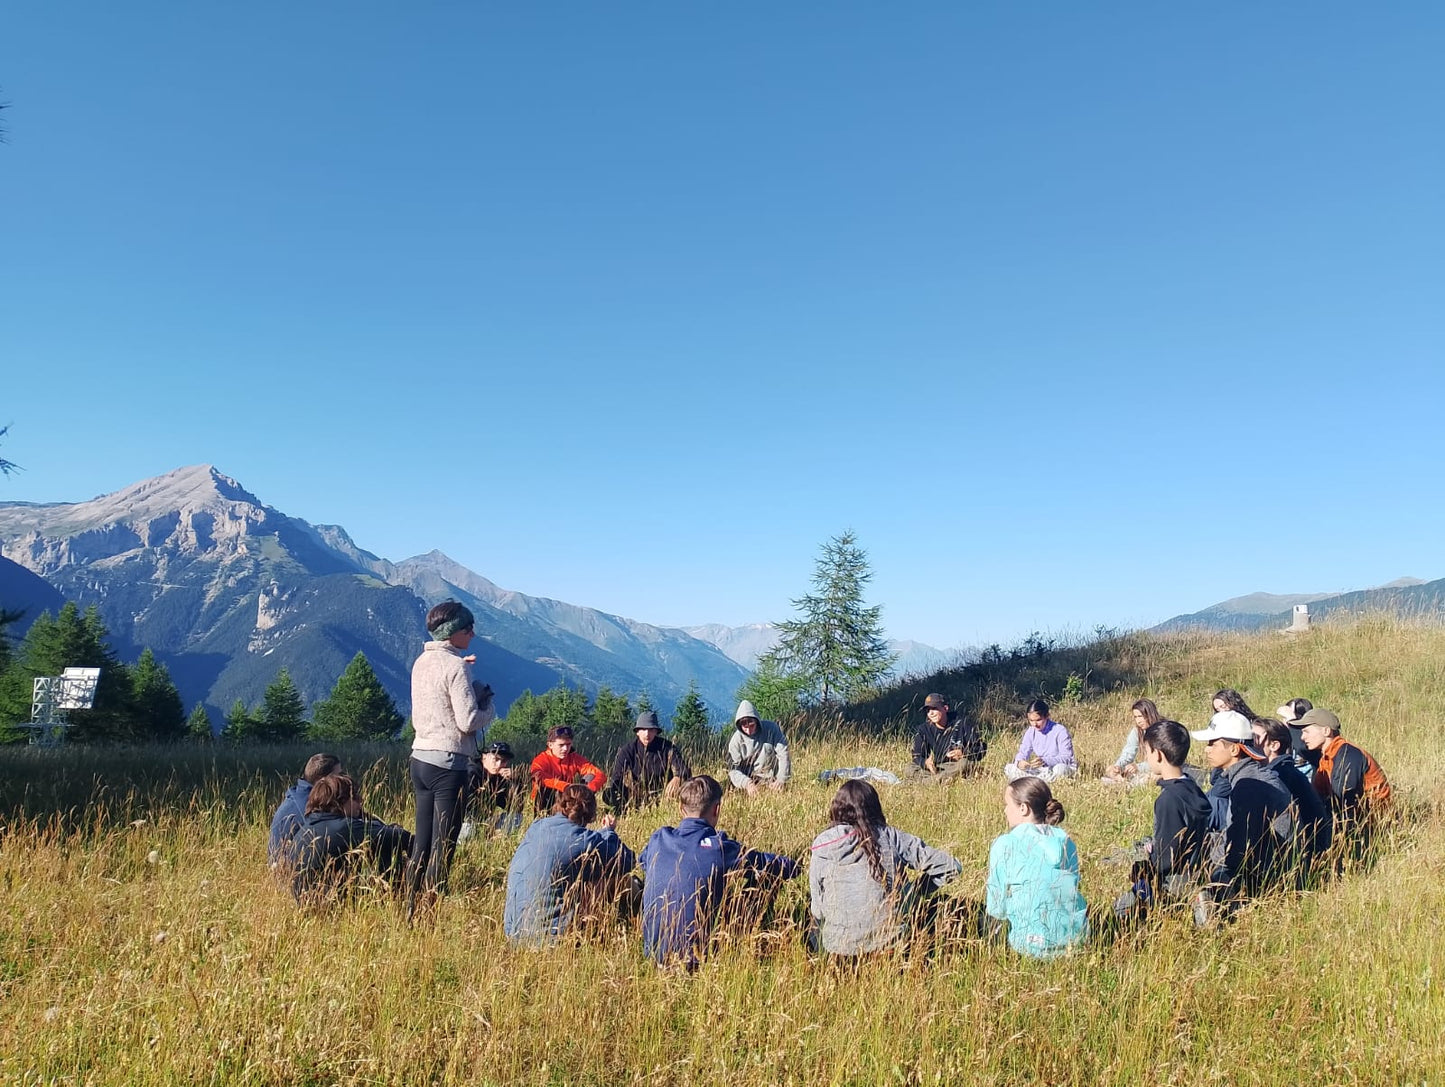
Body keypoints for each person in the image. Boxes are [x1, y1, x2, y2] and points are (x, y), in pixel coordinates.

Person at [640, 775, 800, 968]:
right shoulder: (720, 847)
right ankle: (755, 939)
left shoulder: (659, 839)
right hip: (700, 959)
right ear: (717, 809)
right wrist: (796, 863)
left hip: (653, 954)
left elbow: (644, 863)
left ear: (681, 809)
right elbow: (769, 865)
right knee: (764, 878)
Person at [406, 601, 496, 907]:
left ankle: (409, 906)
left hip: (420, 758)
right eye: (467, 629)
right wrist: (487, 706)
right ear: (452, 632)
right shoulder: (456, 666)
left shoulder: (422, 662)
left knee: (422, 841)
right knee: (443, 845)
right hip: (449, 762)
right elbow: (468, 721)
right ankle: (430, 914)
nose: (472, 634)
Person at [809, 779, 962, 955]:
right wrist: (915, 892)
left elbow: (818, 908)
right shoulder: (892, 837)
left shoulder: (822, 844)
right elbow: (951, 866)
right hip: (890, 942)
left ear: (837, 809)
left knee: (813, 923)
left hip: (839, 948)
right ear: (875, 807)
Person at [1190, 711, 1294, 920]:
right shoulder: (1249, 776)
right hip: (1270, 864)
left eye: (1213, 743)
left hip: (1267, 877)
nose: (1207, 749)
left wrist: (1205, 866)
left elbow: (1242, 849)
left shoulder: (1247, 786)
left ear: (1235, 749)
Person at [503, 784, 637, 945]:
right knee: (608, 876)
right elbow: (626, 861)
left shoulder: (536, 827)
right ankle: (637, 912)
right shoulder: (585, 841)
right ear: (591, 814)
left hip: (514, 935)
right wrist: (609, 832)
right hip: (553, 941)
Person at [1112, 721, 1212, 919]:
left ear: (1158, 754)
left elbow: (1166, 857)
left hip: (1173, 881)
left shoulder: (1167, 799)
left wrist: (1145, 864)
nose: (1147, 758)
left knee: (1119, 910)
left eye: (1147, 752)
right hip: (1197, 871)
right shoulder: (1192, 787)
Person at [985, 777, 1088, 958]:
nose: (1005, 810)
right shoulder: (1066, 841)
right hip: (1076, 940)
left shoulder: (1005, 843)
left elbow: (996, 908)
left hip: (1028, 946)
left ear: (1023, 808)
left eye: (1007, 804)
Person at [291, 773, 414, 904]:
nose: (360, 800)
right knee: (385, 849)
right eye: (354, 797)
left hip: (307, 902)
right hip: (332, 905)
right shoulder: (344, 827)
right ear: (339, 801)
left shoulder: (307, 826)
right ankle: (405, 902)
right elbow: (401, 837)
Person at [1253, 717, 1332, 872]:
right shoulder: (1285, 770)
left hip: (1303, 858)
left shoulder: (1280, 775)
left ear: (1275, 745)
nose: (1250, 743)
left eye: (1256, 738)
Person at [1298, 708, 1391, 831]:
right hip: (1355, 822)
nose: (1302, 737)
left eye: (1306, 731)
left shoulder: (1348, 754)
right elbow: (1318, 795)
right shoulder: (1327, 757)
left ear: (1326, 731)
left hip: (1374, 826)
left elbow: (1342, 800)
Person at [604, 710, 692, 811]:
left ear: (656, 731)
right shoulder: (628, 750)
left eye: (651, 730)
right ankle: (626, 810)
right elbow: (616, 777)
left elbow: (684, 769)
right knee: (608, 794)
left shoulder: (667, 747)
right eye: (643, 729)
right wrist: (628, 791)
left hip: (665, 794)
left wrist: (678, 778)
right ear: (637, 732)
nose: (647, 734)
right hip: (636, 794)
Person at [267, 752, 342, 868]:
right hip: (291, 873)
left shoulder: (297, 795)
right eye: (338, 776)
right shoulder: (310, 806)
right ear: (321, 780)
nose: (342, 780)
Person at [906, 693, 987, 784]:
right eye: (928, 711)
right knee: (910, 767)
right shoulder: (924, 729)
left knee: (965, 764)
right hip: (939, 767)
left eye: (934, 709)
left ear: (945, 708)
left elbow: (981, 748)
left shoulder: (962, 722)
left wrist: (963, 752)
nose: (931, 713)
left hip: (957, 765)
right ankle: (943, 780)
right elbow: (917, 755)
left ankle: (928, 782)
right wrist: (926, 763)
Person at [530, 725, 606, 814]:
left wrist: (588, 789)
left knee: (591, 777)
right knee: (544, 787)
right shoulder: (541, 759)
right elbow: (538, 776)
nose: (565, 749)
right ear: (550, 745)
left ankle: (581, 816)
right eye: (561, 745)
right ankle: (546, 817)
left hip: (567, 799)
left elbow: (600, 774)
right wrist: (565, 786)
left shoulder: (573, 757)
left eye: (568, 744)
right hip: (545, 803)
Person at [726, 700, 792, 794]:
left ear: (756, 720)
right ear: (739, 725)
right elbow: (733, 770)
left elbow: (783, 754)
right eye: (744, 725)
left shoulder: (771, 729)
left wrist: (781, 779)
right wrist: (747, 783)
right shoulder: (735, 741)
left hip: (773, 781)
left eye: (751, 724)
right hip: (747, 785)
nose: (748, 730)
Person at [1004, 700, 1077, 783]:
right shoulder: (1031, 731)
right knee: (1009, 768)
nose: (1035, 724)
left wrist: (1045, 761)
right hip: (1041, 770)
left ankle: (1033, 781)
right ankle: (1038, 780)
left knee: (1059, 769)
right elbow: (1022, 752)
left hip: (1059, 767)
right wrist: (1020, 762)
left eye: (1038, 720)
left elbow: (1067, 758)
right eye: (1031, 721)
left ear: (1047, 716)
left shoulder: (1060, 731)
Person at [465, 740, 527, 837]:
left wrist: (515, 781)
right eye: (496, 759)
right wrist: (490, 819)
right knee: (470, 829)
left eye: (503, 761)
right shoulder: (471, 772)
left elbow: (515, 807)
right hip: (466, 820)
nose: (499, 765)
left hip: (485, 820)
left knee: (516, 817)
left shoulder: (499, 777)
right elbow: (466, 804)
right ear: (484, 757)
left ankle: (492, 843)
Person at [1101, 699, 1161, 786]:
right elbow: (1128, 753)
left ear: (1149, 715)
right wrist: (1118, 766)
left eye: (1140, 716)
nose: (1138, 721)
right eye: (1135, 717)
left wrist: (1139, 767)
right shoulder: (1137, 732)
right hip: (1146, 769)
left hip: (1162, 769)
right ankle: (1122, 782)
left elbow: (1163, 760)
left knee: (1152, 777)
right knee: (1109, 770)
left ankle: (1126, 784)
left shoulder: (1162, 730)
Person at [1276, 697, 1315, 771]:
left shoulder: (1312, 739)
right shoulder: (1284, 737)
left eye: (1285, 717)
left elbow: (1302, 749)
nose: (1283, 721)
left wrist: (1292, 721)